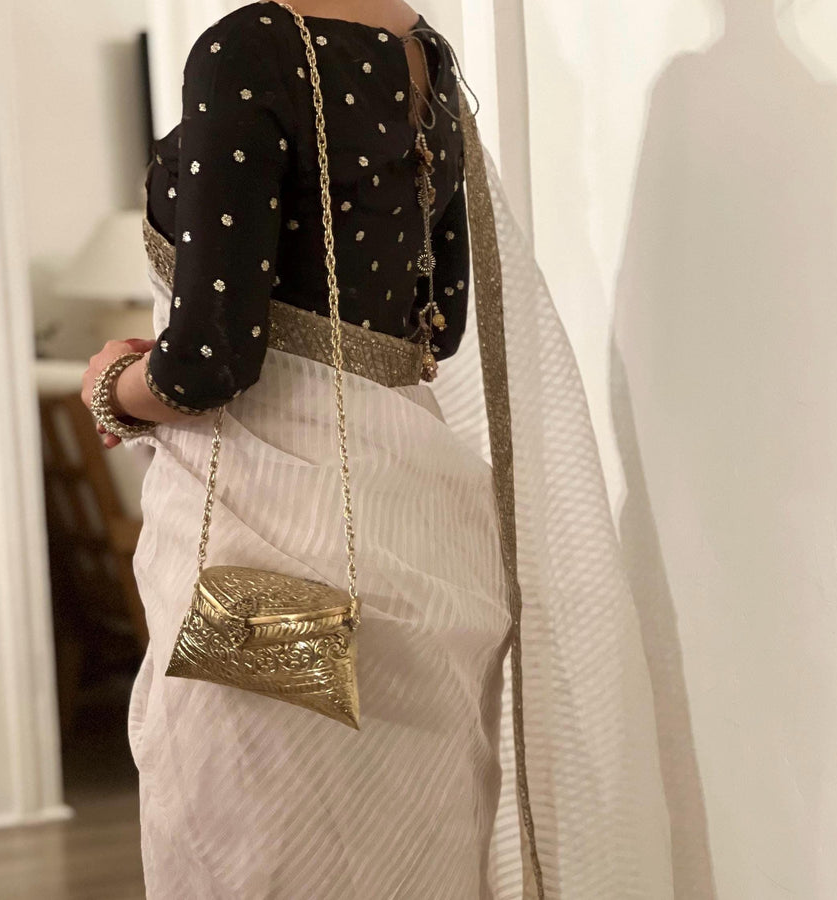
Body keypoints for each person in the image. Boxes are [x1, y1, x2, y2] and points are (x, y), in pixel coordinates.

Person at [81, 1, 676, 896]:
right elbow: (440, 323)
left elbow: (207, 364)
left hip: (268, 520)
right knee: (409, 847)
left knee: (255, 849)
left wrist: (113, 384)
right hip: (419, 513)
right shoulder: (421, 51)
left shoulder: (248, 47)